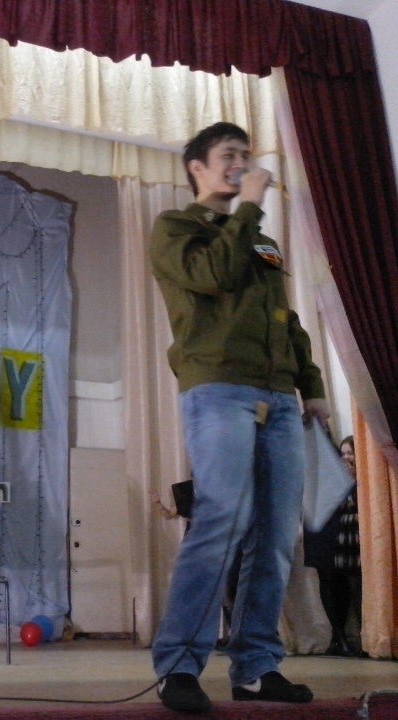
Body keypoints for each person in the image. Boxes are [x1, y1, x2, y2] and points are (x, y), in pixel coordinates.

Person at [148, 122, 331, 713]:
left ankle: (255, 667)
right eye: (229, 155)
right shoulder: (176, 228)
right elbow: (213, 275)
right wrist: (249, 205)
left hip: (278, 398)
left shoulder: (263, 241)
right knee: (222, 521)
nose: (242, 164)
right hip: (218, 390)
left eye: (247, 156)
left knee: (277, 537)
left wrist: (312, 386)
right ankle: (179, 666)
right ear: (197, 167)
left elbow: (285, 317)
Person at [304, 435, 362, 656]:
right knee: (328, 580)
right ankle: (338, 637)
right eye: (343, 453)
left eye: (350, 453)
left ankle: (340, 638)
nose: (346, 458)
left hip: (339, 531)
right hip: (321, 529)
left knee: (342, 582)